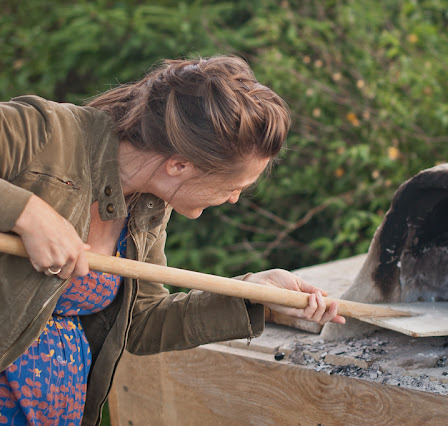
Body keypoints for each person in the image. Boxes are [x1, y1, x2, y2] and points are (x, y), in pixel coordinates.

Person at [0, 55, 345, 425]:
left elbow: (141, 322)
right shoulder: (43, 133)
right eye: (234, 186)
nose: (233, 198)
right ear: (179, 165)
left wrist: (252, 295)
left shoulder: (148, 205)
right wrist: (28, 213)